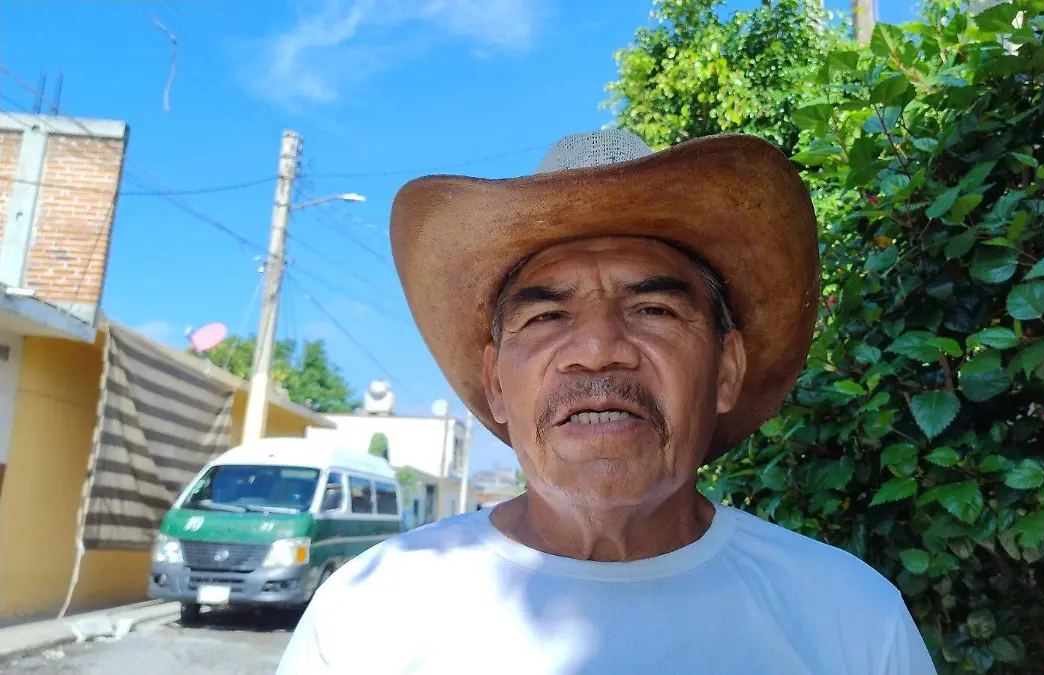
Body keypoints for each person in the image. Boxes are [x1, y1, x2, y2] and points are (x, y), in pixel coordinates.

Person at [275, 130, 937, 674]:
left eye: (652, 308)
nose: (598, 349)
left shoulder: (851, 619)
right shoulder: (367, 619)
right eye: (546, 318)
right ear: (497, 382)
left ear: (726, 368)